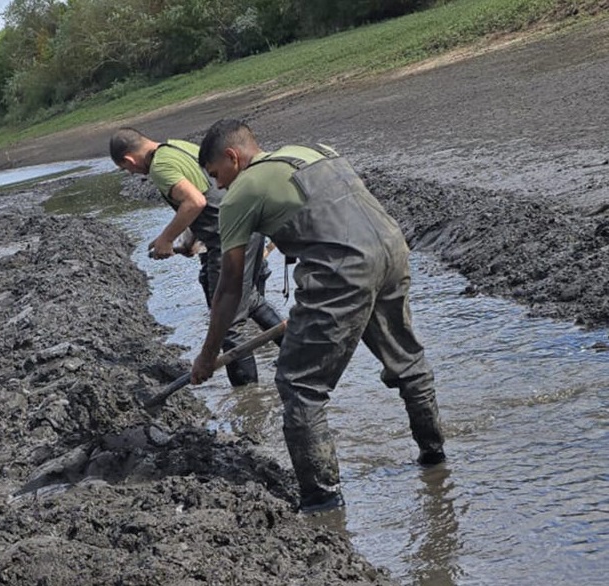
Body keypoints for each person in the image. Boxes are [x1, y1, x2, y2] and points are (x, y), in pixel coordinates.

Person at [190, 119, 446, 512]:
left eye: (216, 175)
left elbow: (228, 288)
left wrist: (208, 355)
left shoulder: (241, 193)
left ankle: (321, 504)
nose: (218, 186)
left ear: (232, 157)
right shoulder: (311, 152)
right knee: (408, 362)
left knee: (299, 385)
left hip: (344, 270)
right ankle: (435, 461)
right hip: (392, 251)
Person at [109, 127, 284, 387]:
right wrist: (190, 240)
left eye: (127, 170)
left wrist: (166, 239)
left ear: (129, 160)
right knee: (250, 300)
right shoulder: (177, 146)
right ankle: (297, 347)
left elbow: (194, 202)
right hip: (247, 227)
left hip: (229, 239)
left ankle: (248, 397)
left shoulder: (159, 168)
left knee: (226, 323)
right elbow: (205, 189)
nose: (132, 173)